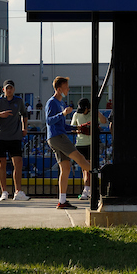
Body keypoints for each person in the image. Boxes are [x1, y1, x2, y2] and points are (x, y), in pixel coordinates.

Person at [45, 76, 91, 209]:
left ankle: (62, 201)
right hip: (57, 137)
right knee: (79, 158)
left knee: (65, 168)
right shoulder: (52, 102)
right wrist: (63, 114)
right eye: (66, 87)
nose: (68, 89)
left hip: (57, 136)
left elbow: (62, 125)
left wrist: (76, 128)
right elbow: (49, 121)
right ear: (59, 89)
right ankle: (99, 174)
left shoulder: (60, 103)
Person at [0, 78, 30, 201]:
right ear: (3, 90)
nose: (9, 90)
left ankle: (18, 191)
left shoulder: (19, 101)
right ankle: (4, 192)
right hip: (1, 136)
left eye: (11, 88)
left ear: (14, 89)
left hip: (15, 136)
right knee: (2, 164)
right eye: (7, 88)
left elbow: (24, 114)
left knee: (18, 163)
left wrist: (24, 128)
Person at [70, 98, 99, 201]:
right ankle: (88, 190)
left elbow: (104, 121)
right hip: (80, 144)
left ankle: (87, 190)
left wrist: (95, 111)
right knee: (85, 169)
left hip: (91, 143)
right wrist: (80, 129)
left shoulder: (92, 114)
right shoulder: (76, 114)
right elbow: (72, 128)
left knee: (88, 169)